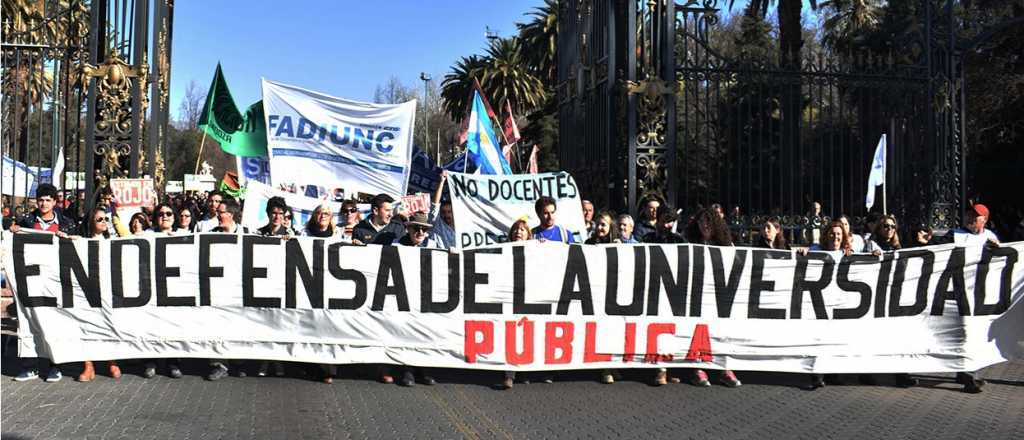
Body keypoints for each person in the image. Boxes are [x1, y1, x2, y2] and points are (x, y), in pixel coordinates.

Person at [10, 183, 77, 383]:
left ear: (55, 202)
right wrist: (12, 230)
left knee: (55, 323)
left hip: (56, 281)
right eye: (41, 199)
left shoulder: (67, 223)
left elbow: (78, 243)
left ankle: (55, 366)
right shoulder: (27, 221)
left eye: (48, 199)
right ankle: (29, 366)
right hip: (31, 280)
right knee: (30, 322)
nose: (44, 203)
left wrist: (67, 239)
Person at [937, 203, 999, 393]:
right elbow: (936, 251)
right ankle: (969, 376)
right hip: (956, 293)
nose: (971, 218)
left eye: (976, 216)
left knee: (973, 334)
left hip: (979, 295)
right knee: (964, 332)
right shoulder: (954, 235)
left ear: (985, 220)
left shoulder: (991, 238)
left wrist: (997, 251)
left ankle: (966, 373)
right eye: (969, 214)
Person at [683, 208, 741, 388]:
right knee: (698, 330)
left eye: (707, 222)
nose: (704, 226)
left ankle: (724, 368)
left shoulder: (726, 244)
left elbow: (737, 264)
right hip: (697, 294)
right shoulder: (691, 242)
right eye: (701, 223)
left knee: (720, 330)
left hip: (719, 294)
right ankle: (698, 367)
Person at [75, 206, 122, 382]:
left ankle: (112, 361)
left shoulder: (113, 240)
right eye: (99, 219)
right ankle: (88, 365)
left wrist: (115, 214)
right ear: (91, 223)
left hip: (109, 290)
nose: (103, 222)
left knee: (108, 324)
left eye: (105, 219)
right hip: (88, 289)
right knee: (86, 326)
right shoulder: (82, 241)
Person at [392, 212, 439, 387]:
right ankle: (407, 370)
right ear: (408, 229)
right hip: (403, 296)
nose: (420, 232)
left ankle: (424, 369)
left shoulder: (433, 245)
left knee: (425, 335)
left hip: (426, 297)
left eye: (424, 229)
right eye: (416, 228)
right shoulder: (396, 245)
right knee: (407, 334)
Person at [206, 198, 249, 381]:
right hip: (216, 289)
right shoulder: (209, 234)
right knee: (217, 326)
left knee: (238, 326)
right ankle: (219, 364)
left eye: (221, 211)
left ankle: (238, 362)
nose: (217, 214)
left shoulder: (247, 234)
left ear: (230, 215)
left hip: (239, 289)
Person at [141, 203, 184, 379]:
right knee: (152, 326)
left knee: (172, 327)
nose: (164, 216)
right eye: (160, 214)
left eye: (168, 214)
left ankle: (173, 362)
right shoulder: (147, 235)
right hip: (152, 287)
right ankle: (151, 361)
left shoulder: (183, 235)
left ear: (174, 218)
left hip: (174, 288)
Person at [255, 196, 292, 379]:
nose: (276, 217)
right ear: (268, 214)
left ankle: (278, 361)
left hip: (282, 285)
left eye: (280, 213)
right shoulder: (259, 233)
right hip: (263, 284)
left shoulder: (292, 234)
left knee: (279, 325)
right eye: (273, 213)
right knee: (264, 324)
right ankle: (264, 361)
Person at [428, 171, 456, 249]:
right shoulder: (436, 224)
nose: (446, 215)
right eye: (443, 212)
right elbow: (435, 205)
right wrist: (441, 182)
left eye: (449, 212)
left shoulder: (461, 228)